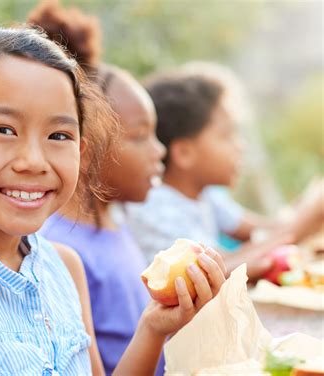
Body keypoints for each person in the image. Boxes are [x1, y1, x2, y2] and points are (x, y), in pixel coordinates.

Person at [0, 26, 226, 375]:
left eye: (59, 135)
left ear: (82, 149)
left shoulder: (64, 266)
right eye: (3, 130)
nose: (34, 161)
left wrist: (153, 327)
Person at [28, 2, 178, 374]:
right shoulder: (61, 250)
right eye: (141, 136)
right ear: (90, 146)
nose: (160, 151)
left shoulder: (115, 223)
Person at [126, 71, 321, 280]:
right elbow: (216, 272)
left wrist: (308, 208)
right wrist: (311, 214)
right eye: (227, 135)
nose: (240, 146)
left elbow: (265, 229)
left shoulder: (205, 194)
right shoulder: (156, 207)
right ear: (184, 153)